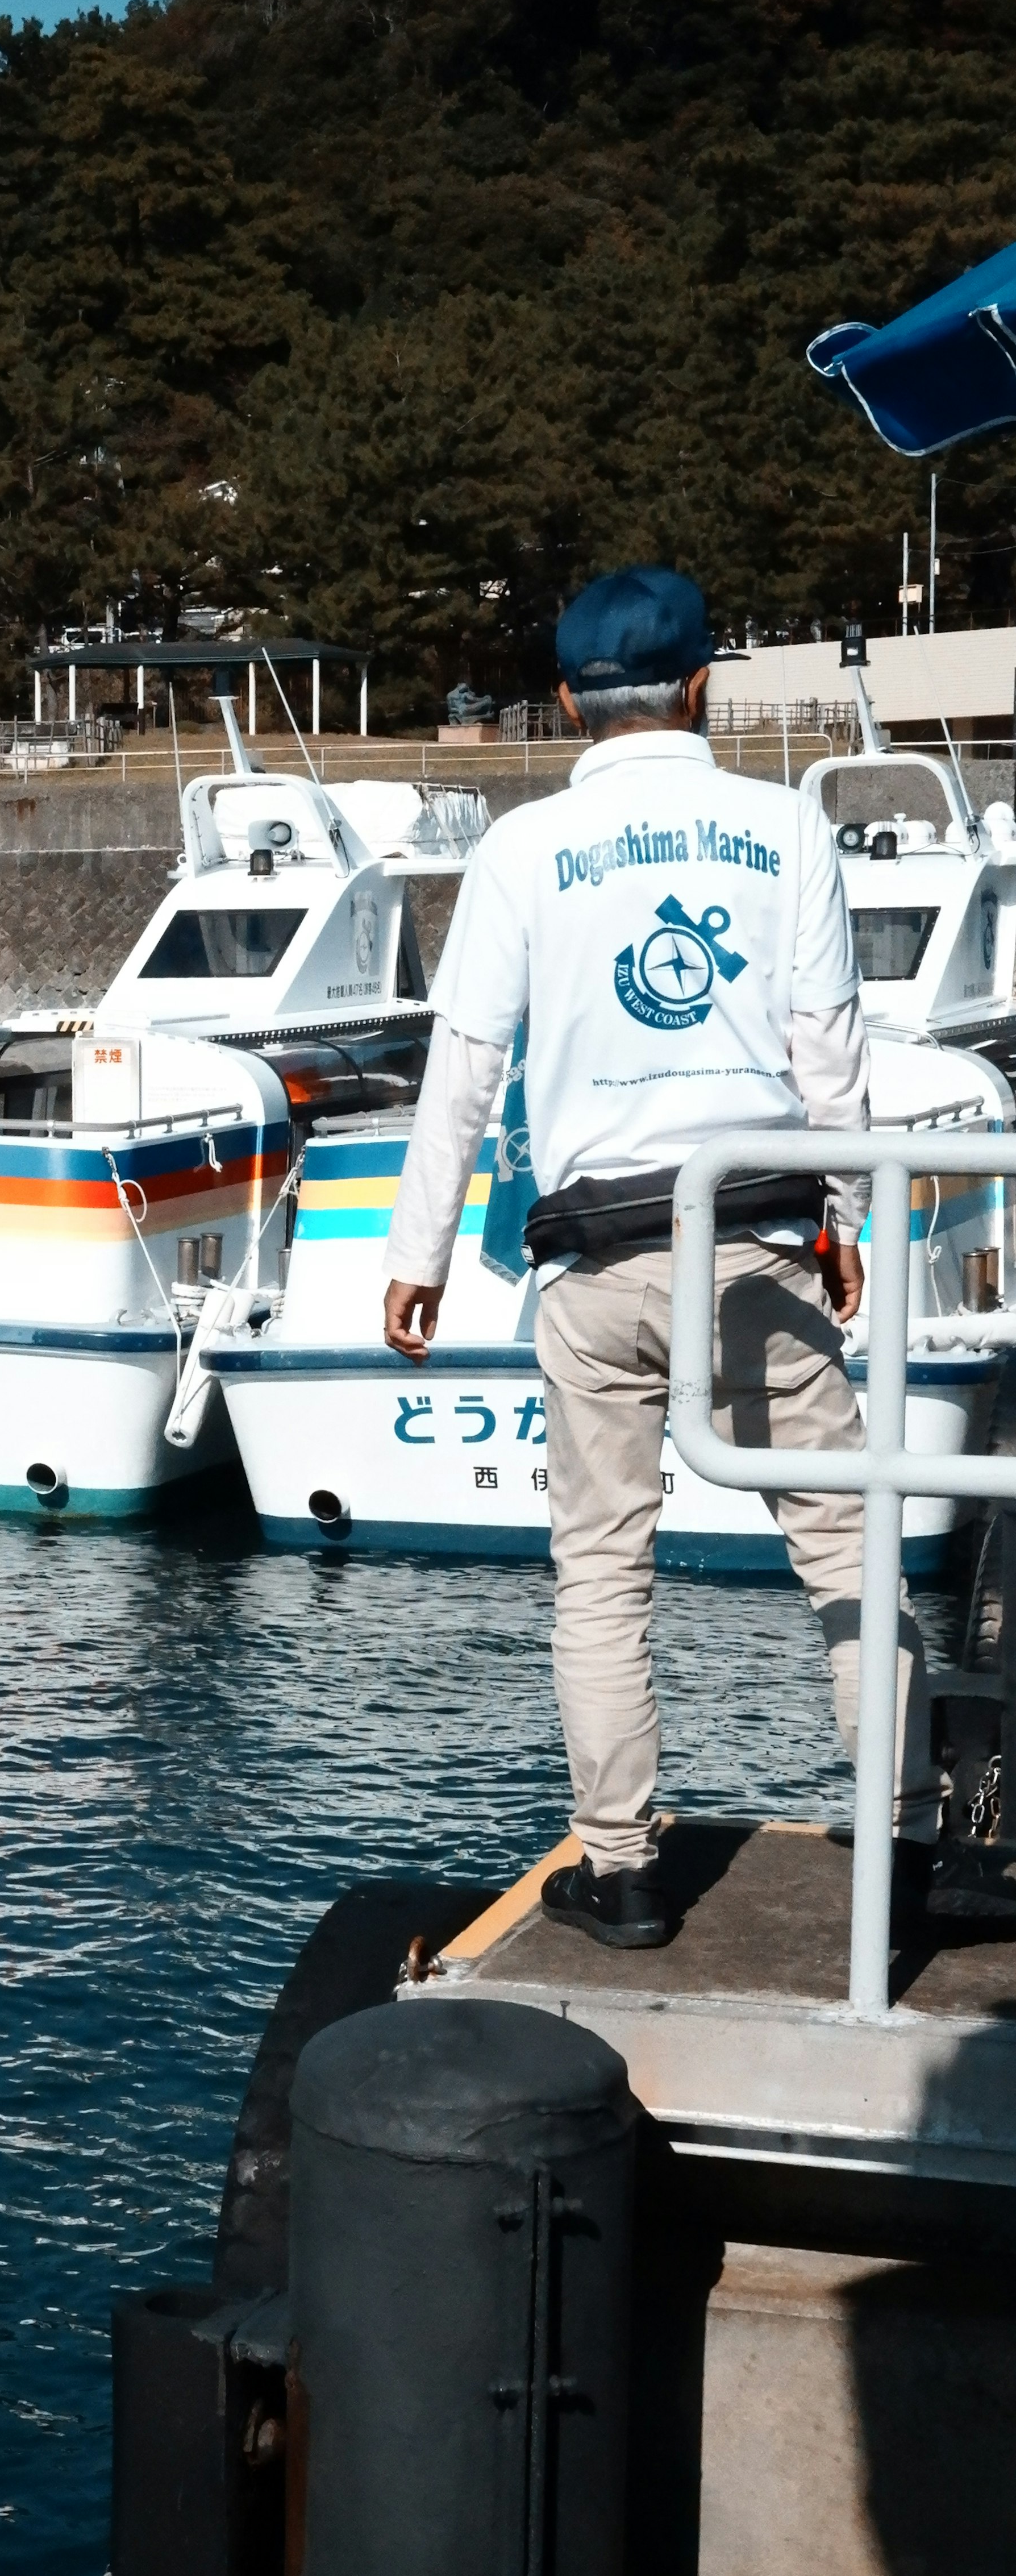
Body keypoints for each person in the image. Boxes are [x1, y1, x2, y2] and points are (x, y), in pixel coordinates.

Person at [380, 565, 936, 1950]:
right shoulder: (784, 824)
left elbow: (465, 1067)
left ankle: (624, 1873)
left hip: (598, 1257)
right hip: (754, 1243)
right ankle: (912, 1846)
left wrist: (420, 1253)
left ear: (569, 700)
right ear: (705, 686)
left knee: (603, 1570)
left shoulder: (521, 848)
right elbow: (832, 1058)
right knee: (847, 1550)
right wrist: (848, 1225)